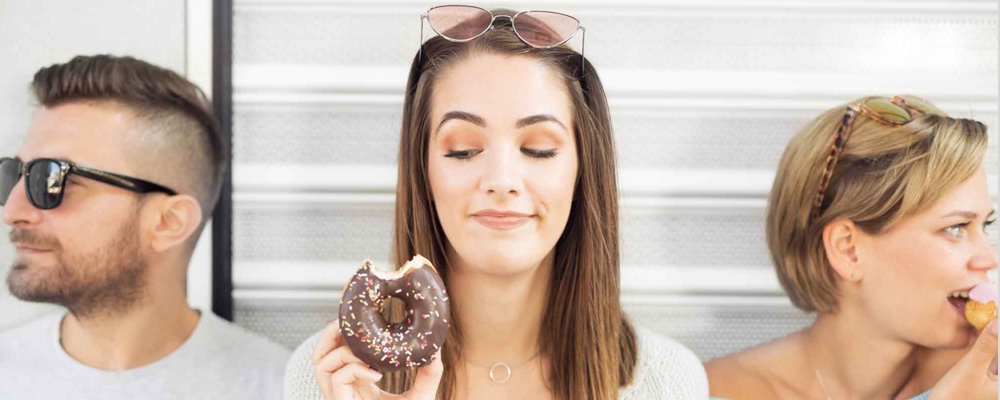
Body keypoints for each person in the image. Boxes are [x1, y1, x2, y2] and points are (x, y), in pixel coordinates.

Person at [285, 6, 708, 400]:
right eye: (463, 150)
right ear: (423, 172)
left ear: (582, 173)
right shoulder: (332, 379)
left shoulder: (666, 382)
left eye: (539, 150)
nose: (502, 181)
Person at [0, 55, 290, 399]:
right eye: (15, 175)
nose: (12, 212)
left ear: (168, 222)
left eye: (53, 179)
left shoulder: (283, 389)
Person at [705, 96, 998, 399]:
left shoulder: (986, 378)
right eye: (955, 228)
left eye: (985, 225)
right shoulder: (710, 390)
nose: (990, 259)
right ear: (848, 250)